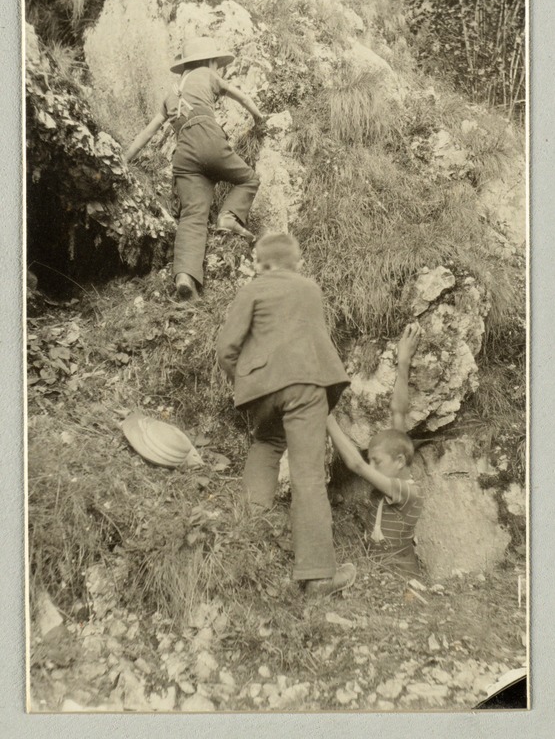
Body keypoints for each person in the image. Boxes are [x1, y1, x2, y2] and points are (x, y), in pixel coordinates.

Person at [216, 233, 356, 596]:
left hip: (262, 388)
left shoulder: (252, 289)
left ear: (260, 263)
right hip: (306, 383)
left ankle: (247, 535)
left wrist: (246, 380)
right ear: (296, 262)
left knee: (266, 442)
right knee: (307, 472)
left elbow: (226, 348)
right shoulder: (310, 289)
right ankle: (317, 575)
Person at [123, 36, 266, 301]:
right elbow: (243, 98)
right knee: (248, 179)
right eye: (217, 64)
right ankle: (229, 217)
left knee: (192, 217)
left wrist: (123, 160)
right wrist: (259, 120)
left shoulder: (170, 95)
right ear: (211, 61)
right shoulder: (208, 76)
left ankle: (185, 276)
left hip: (184, 156)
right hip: (209, 140)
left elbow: (146, 134)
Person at [326, 323, 424, 577]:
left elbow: (355, 466)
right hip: (378, 568)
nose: (371, 468)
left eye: (376, 461)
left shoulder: (406, 491)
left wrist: (326, 416)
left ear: (399, 461)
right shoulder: (397, 467)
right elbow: (398, 412)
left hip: (401, 575)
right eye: (371, 461)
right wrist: (403, 362)